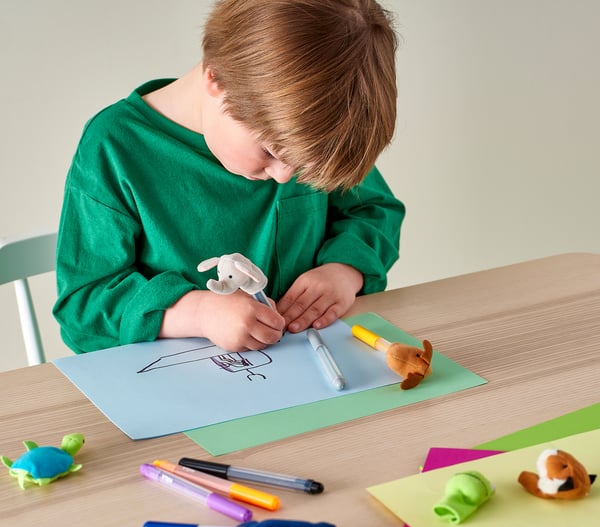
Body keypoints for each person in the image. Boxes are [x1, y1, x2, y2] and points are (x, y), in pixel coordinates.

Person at [53, 0, 405, 354]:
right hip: (177, 386)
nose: (285, 177)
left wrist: (344, 270)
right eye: (269, 153)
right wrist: (198, 312)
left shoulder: (305, 136)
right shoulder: (115, 147)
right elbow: (84, 305)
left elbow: (374, 209)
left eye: (301, 169)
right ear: (217, 80)